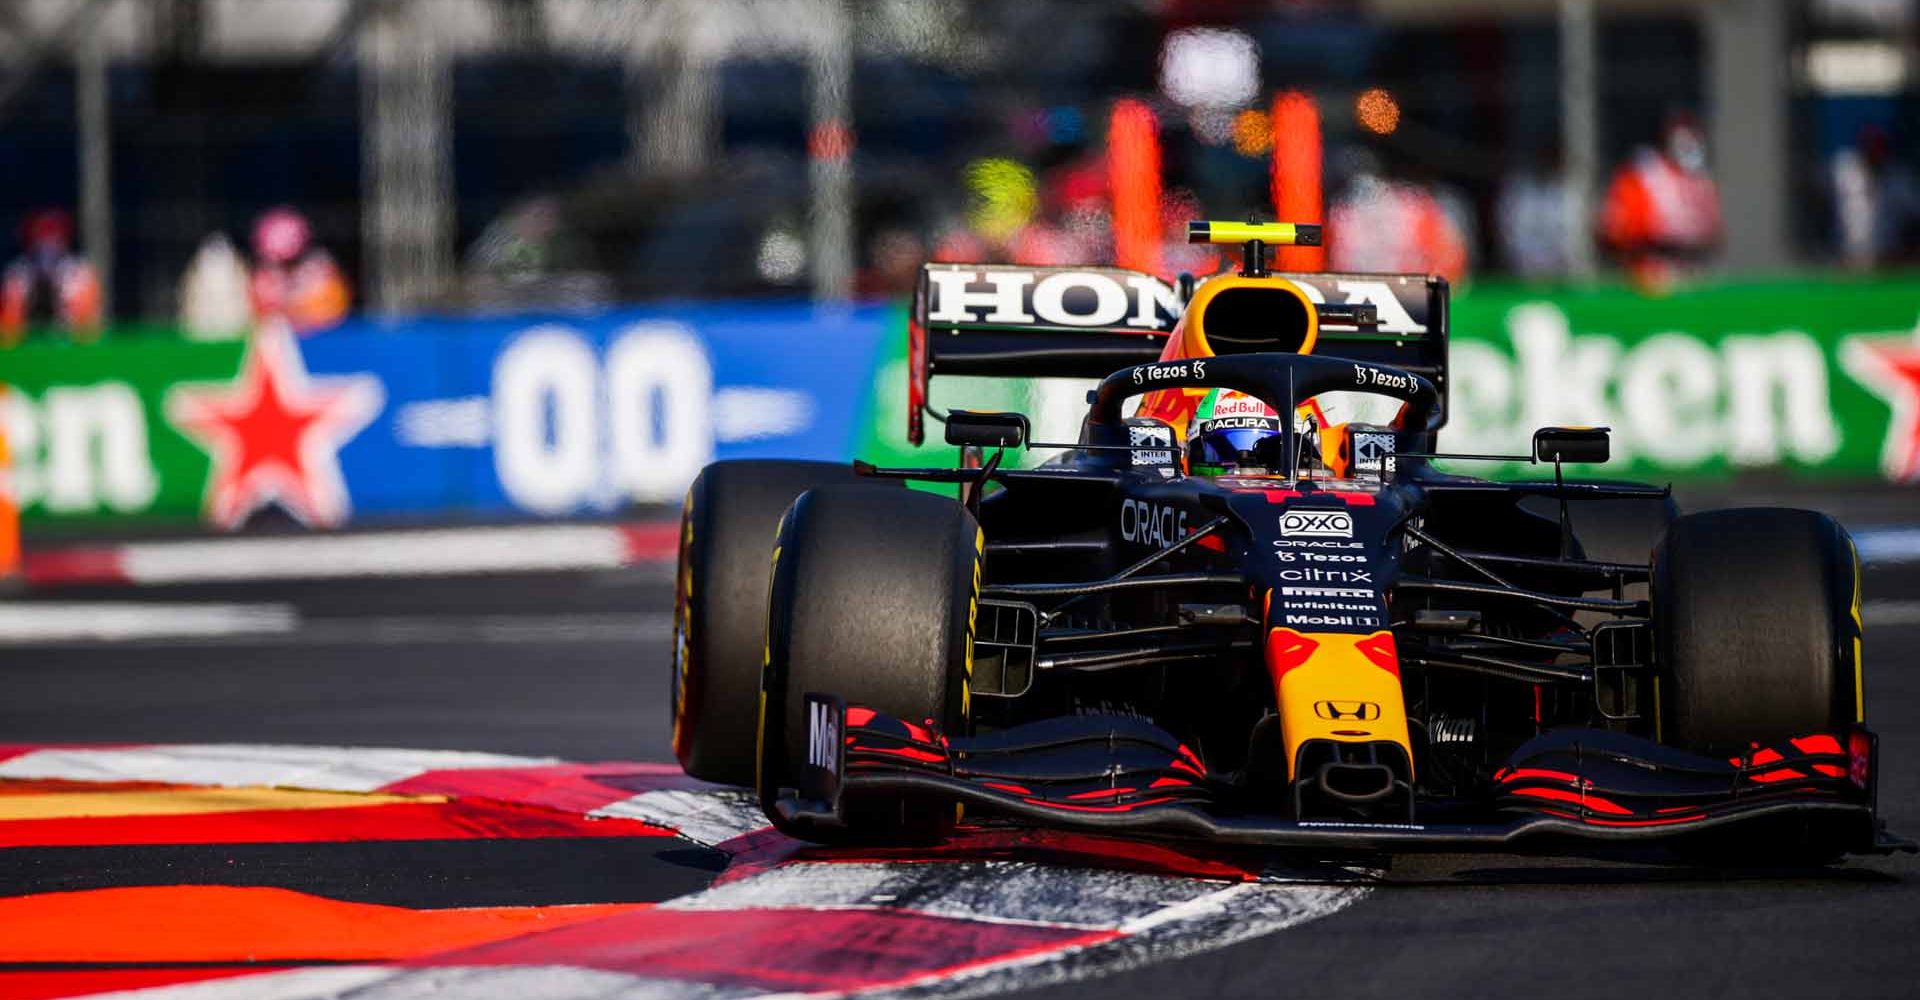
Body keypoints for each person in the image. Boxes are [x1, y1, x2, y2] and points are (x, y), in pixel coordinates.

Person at [1598, 112, 1721, 294]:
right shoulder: (1645, 178)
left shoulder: (1701, 182)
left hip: (1693, 276)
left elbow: (1714, 235)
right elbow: (1614, 235)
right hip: (1649, 279)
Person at [0, 209, 102, 346]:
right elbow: (8, 330)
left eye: (53, 234)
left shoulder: (79, 272)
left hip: (68, 346)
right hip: (28, 346)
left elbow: (88, 328)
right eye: (41, 234)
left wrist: (62, 299)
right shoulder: (18, 272)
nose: (48, 243)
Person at [248, 207, 351, 334]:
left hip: (323, 339)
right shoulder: (263, 278)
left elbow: (331, 311)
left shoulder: (320, 269)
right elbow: (259, 314)